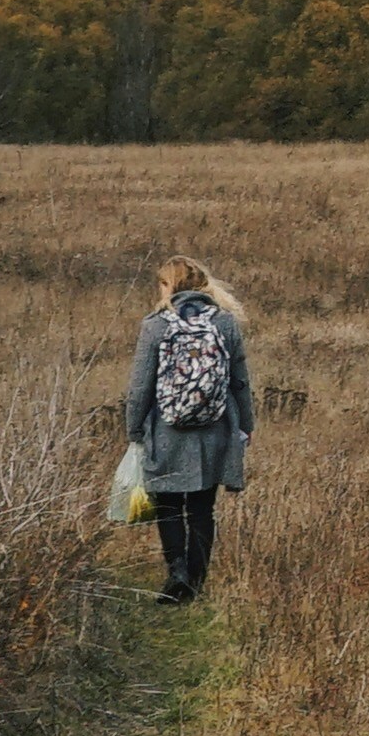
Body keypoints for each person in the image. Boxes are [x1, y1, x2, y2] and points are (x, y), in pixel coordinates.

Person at [126, 258, 259, 606]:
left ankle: (178, 572)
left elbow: (141, 385)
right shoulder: (225, 323)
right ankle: (195, 585)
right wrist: (246, 424)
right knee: (202, 510)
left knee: (168, 505)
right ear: (202, 285)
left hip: (167, 429)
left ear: (169, 286)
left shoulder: (155, 325)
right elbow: (240, 380)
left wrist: (134, 427)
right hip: (214, 431)